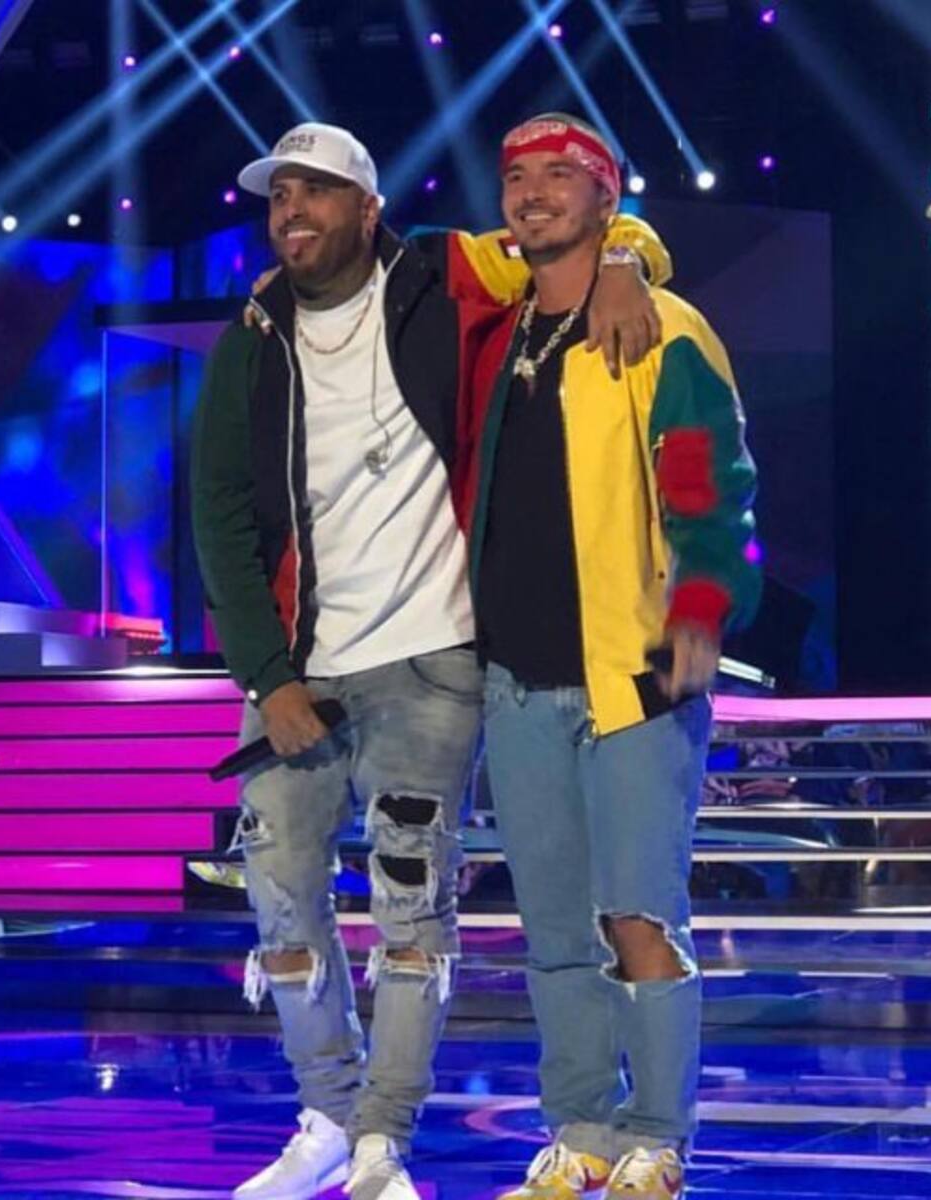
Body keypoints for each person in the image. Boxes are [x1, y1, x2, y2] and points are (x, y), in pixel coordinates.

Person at [190, 121, 672, 1200]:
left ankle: (383, 1141)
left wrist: (630, 264)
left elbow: (581, 232)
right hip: (297, 668)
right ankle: (326, 1115)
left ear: (368, 209)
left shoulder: (449, 273)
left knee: (412, 908)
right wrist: (267, 675)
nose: (293, 213)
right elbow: (217, 513)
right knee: (281, 904)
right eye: (280, 197)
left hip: (432, 660)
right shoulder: (252, 335)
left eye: (317, 193)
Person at [467, 114, 761, 1200]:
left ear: (607, 195)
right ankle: (581, 1130)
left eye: (562, 175)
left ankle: (659, 1136)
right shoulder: (496, 334)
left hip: (632, 676)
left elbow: (709, 486)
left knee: (638, 917)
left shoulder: (660, 328)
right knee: (553, 932)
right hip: (516, 683)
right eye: (517, 176)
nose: (534, 192)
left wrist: (701, 608)